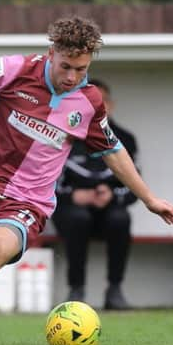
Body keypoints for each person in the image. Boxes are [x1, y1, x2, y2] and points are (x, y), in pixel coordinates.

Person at [0, 15, 173, 345]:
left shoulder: (89, 102)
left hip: (25, 204)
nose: (73, 77)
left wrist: (150, 199)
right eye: (66, 67)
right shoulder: (16, 69)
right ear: (52, 52)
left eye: (81, 69)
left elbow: (113, 151)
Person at [52, 79, 138, 309]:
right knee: (78, 218)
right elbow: (46, 182)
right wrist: (73, 196)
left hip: (107, 211)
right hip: (71, 211)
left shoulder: (125, 140)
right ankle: (76, 289)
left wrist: (112, 195)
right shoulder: (63, 136)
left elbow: (133, 186)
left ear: (110, 105)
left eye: (102, 102)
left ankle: (115, 289)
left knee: (121, 218)